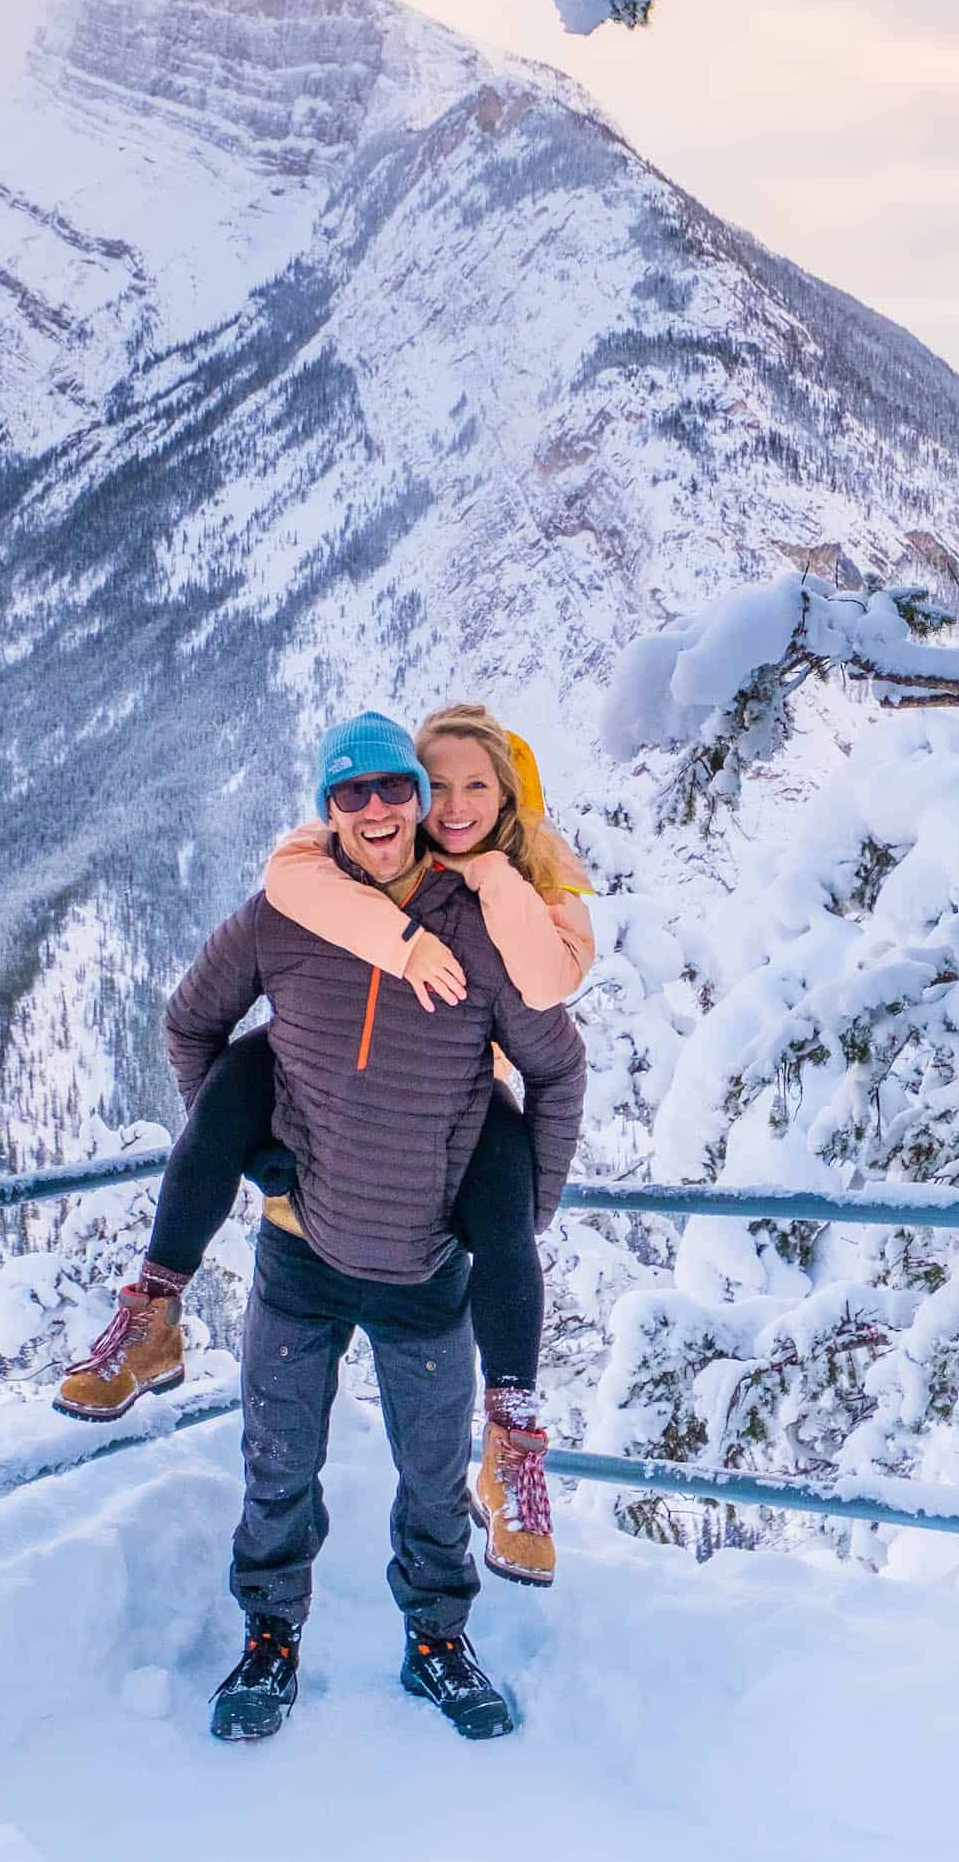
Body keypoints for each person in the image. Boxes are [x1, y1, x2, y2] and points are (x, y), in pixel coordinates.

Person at [72, 710, 587, 1743]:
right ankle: (269, 1638)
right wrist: (261, 1152)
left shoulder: (480, 928)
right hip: (299, 1255)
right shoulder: (285, 915)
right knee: (275, 1464)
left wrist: (512, 1225)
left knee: (435, 1482)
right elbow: (190, 1026)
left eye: (396, 788)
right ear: (327, 811)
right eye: (351, 794)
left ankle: (437, 1642)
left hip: (424, 1265)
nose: (381, 809)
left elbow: (555, 1067)